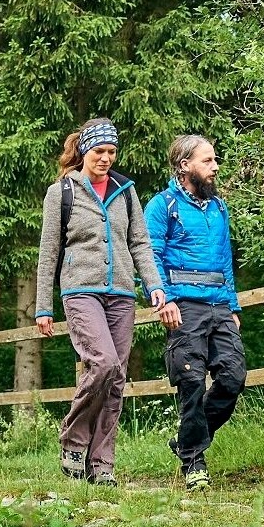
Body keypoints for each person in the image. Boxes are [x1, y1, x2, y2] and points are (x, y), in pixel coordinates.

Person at [35, 118, 165, 486]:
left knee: (117, 378)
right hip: (80, 290)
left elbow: (139, 242)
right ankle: (73, 439)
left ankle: (101, 461)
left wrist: (154, 285)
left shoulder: (126, 191)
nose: (106, 158)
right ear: (83, 152)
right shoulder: (62, 192)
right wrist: (44, 306)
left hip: (122, 292)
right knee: (103, 363)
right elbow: (48, 253)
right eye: (99, 152)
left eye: (111, 152)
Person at [144, 134, 246, 491]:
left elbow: (225, 260)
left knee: (233, 378)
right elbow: (150, 256)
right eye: (208, 161)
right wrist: (165, 300)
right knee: (190, 382)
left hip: (219, 304)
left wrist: (233, 305)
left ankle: (186, 441)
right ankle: (194, 463)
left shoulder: (219, 208)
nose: (215, 167)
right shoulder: (162, 206)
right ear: (184, 166)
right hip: (183, 305)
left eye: (214, 160)